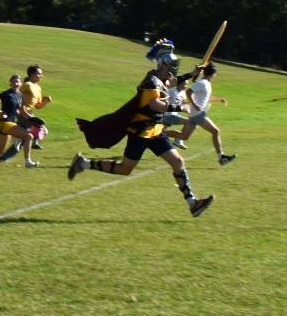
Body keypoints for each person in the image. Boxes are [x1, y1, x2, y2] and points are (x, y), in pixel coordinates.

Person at [69, 40, 214, 217]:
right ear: (163, 66)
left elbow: (172, 83)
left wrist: (192, 73)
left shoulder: (160, 79)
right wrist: (178, 107)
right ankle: (84, 163)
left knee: (178, 162)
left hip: (156, 131)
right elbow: (154, 104)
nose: (173, 71)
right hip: (140, 133)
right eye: (171, 66)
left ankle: (193, 203)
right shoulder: (151, 82)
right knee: (125, 169)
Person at [171, 64, 236, 166]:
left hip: (194, 115)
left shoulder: (205, 84)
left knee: (183, 136)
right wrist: (194, 104)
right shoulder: (203, 83)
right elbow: (189, 91)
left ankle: (161, 133)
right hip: (198, 114)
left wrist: (218, 99)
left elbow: (205, 98)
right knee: (215, 131)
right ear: (213, 74)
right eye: (215, 74)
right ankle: (221, 157)